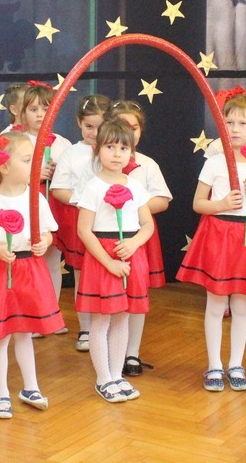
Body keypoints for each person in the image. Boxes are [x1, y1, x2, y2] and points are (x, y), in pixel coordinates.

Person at [177, 89, 246, 392]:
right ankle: (214, 365)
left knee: (242, 304)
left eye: (242, 123)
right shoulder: (215, 162)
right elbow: (198, 204)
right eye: (229, 122)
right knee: (216, 303)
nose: (234, 129)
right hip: (219, 234)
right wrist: (221, 205)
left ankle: (236, 364)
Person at [0, 131, 62, 419]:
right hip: (0, 274)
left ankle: (30, 387)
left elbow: (48, 232)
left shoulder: (36, 198)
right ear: (5, 166)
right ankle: (1, 393)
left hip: (30, 272)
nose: (35, 165)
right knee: (0, 337)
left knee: (25, 333)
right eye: (27, 160)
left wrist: (44, 242)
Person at [75, 119, 154, 403]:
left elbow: (148, 224)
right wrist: (108, 263)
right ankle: (103, 378)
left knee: (122, 317)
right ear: (97, 149)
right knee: (101, 319)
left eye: (123, 148)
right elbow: (84, 230)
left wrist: (134, 243)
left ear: (131, 152)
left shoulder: (135, 185)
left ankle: (117, 375)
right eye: (110, 147)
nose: (117, 154)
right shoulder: (92, 187)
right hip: (103, 258)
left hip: (130, 254)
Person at [103, 100, 172, 377]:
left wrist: (132, 206)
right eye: (122, 125)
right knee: (110, 295)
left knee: (137, 296)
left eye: (134, 127)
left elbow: (163, 200)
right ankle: (110, 352)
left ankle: (132, 352)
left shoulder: (147, 165)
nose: (128, 132)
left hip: (139, 238)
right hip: (107, 241)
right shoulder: (98, 166)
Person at [50, 93, 111, 352]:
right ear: (78, 123)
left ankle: (109, 326)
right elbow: (58, 189)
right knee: (82, 276)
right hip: (81, 222)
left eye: (100, 126)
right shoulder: (71, 153)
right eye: (89, 126)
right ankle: (86, 328)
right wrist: (83, 203)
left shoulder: (114, 150)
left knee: (109, 272)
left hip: (109, 223)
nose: (94, 133)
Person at [14, 82, 72, 322]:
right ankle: (29, 315)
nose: (40, 114)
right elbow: (5, 176)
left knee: (52, 261)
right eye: (33, 109)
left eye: (45, 108)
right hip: (26, 206)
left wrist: (58, 174)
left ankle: (51, 316)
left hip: (54, 207)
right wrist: (35, 177)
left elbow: (71, 178)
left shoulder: (63, 143)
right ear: (22, 113)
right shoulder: (16, 140)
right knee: (29, 261)